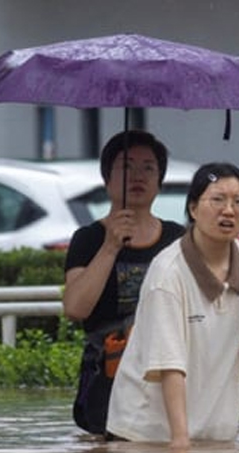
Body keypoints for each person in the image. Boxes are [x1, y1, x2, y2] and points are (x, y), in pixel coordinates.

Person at [106, 162, 239, 445]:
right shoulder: (168, 273)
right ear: (193, 209)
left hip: (213, 434)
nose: (229, 210)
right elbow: (170, 367)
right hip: (145, 436)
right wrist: (180, 446)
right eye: (217, 199)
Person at [64, 129, 186, 436]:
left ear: (159, 181)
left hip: (164, 374)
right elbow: (76, 308)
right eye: (127, 166)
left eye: (149, 168)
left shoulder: (178, 239)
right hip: (108, 379)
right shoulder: (88, 239)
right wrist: (110, 246)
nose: (138, 176)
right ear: (107, 178)